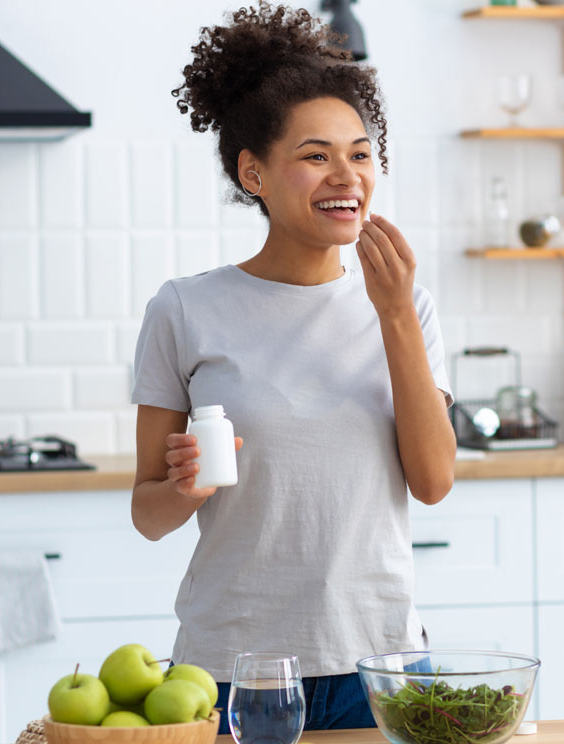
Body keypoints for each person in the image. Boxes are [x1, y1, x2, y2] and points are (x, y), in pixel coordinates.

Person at [130, 3, 456, 732]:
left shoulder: (408, 305)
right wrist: (185, 487)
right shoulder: (185, 311)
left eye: (361, 152)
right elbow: (148, 514)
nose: (347, 174)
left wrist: (395, 313)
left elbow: (433, 482)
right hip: (233, 670)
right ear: (255, 173)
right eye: (316, 155)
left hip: (384, 662)